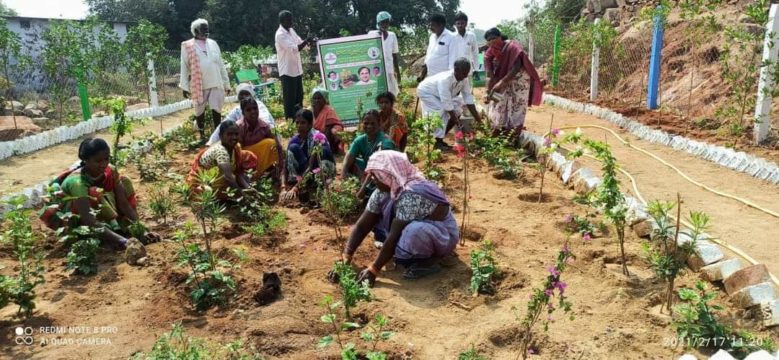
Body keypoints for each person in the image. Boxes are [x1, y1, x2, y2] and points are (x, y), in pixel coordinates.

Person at [334, 150, 459, 286]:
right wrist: (346, 256)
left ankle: (427, 262)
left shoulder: (411, 194)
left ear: (389, 175)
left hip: (442, 236)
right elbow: (362, 225)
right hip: (407, 230)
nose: (372, 180)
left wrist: (374, 269)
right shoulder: (384, 190)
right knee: (380, 217)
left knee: (413, 232)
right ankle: (407, 250)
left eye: (376, 176)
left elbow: (394, 236)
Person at [39, 138, 160, 249]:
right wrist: (123, 241)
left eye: (106, 159)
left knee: (124, 182)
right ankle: (100, 236)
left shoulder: (110, 171)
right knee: (95, 193)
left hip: (98, 208)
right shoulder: (77, 182)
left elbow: (124, 204)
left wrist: (142, 230)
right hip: (75, 215)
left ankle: (116, 228)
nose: (103, 164)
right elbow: (88, 219)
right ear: (85, 160)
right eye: (98, 161)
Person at [483, 27, 543, 138]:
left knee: (517, 104)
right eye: (489, 40)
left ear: (500, 37)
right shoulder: (488, 54)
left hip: (519, 79)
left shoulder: (512, 47)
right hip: (501, 78)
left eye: (494, 38)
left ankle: (513, 133)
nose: (492, 41)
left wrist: (502, 82)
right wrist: (487, 91)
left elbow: (516, 67)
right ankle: (498, 127)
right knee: (497, 101)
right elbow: (489, 74)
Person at [179, 19, 231, 141]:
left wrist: (226, 84)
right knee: (199, 110)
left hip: (216, 81)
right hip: (199, 84)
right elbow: (184, 66)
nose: (207, 31)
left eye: (207, 28)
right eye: (203, 28)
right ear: (196, 31)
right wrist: (184, 86)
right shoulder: (187, 45)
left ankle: (217, 134)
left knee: (216, 109)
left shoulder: (213, 44)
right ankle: (202, 135)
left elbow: (221, 64)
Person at [417, 58, 482, 149]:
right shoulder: (445, 80)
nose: (465, 76)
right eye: (463, 73)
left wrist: (479, 120)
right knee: (441, 111)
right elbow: (447, 104)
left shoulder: (464, 79)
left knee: (458, 110)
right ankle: (438, 142)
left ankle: (440, 139)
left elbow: (468, 98)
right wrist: (459, 124)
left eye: (467, 73)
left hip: (440, 95)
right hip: (426, 92)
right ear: (456, 70)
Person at [187, 120, 256, 197]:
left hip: (220, 180)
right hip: (205, 183)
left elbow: (237, 172)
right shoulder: (220, 151)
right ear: (221, 136)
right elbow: (228, 177)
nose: (234, 137)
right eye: (229, 134)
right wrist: (243, 196)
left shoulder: (235, 147)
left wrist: (248, 187)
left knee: (248, 156)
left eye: (236, 134)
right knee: (209, 191)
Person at [281, 109, 336, 202]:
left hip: (318, 169)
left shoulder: (317, 138)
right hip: (305, 172)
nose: (299, 126)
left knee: (324, 151)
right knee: (292, 148)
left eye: (303, 123)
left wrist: (295, 188)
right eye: (297, 123)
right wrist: (283, 187)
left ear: (310, 124)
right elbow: (285, 167)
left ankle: (321, 184)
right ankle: (299, 181)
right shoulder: (294, 140)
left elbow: (310, 166)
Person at [275, 10, 315, 120]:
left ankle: (299, 120)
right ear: (282, 21)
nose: (291, 22)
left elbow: (299, 42)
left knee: (299, 97)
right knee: (289, 100)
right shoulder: (280, 34)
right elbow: (294, 49)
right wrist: (306, 42)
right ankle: (290, 123)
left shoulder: (291, 30)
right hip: (287, 72)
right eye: (289, 20)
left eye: (291, 19)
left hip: (297, 70)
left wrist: (309, 43)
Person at [207, 83, 276, 146]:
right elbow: (224, 124)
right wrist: (210, 143)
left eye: (246, 94)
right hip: (246, 145)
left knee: (270, 143)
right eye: (241, 94)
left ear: (251, 95)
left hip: (262, 140)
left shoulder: (258, 105)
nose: (244, 97)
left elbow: (266, 121)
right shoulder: (237, 110)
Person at [234, 97, 284, 180]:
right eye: (248, 110)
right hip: (244, 159)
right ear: (243, 112)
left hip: (259, 159)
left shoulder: (264, 126)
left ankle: (272, 171)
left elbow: (277, 144)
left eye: (255, 108)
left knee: (272, 143)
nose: (253, 111)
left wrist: (281, 163)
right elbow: (237, 151)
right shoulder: (239, 127)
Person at [342, 110, 395, 181]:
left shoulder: (385, 141)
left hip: (384, 174)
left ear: (379, 124)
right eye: (366, 123)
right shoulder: (360, 140)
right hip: (369, 170)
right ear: (362, 124)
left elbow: (385, 167)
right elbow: (348, 157)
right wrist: (344, 174)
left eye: (373, 123)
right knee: (352, 162)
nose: (369, 126)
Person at [417, 13, 458, 83]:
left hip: (444, 78)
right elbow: (429, 55)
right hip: (431, 75)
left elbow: (453, 59)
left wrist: (452, 78)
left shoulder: (451, 37)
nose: (430, 27)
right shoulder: (432, 37)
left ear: (441, 25)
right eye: (430, 25)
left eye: (433, 25)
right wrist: (423, 73)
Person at [368, 11, 401, 95]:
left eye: (387, 22)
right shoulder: (372, 34)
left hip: (389, 70)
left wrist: (398, 73)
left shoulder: (392, 35)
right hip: (376, 71)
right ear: (378, 23)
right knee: (379, 94)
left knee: (391, 95)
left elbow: (394, 56)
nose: (385, 24)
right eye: (383, 22)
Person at [311, 89, 345, 155]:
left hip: (328, 133)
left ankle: (333, 149)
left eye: (319, 98)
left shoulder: (329, 110)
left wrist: (323, 145)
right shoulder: (310, 110)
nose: (316, 100)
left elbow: (328, 130)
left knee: (334, 130)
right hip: (316, 134)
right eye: (314, 98)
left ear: (324, 100)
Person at [452, 12, 480, 78]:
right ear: (455, 24)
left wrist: (476, 69)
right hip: (454, 70)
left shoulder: (471, 36)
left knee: (468, 88)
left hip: (467, 71)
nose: (460, 25)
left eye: (462, 23)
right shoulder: (452, 37)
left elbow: (475, 53)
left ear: (466, 23)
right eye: (458, 23)